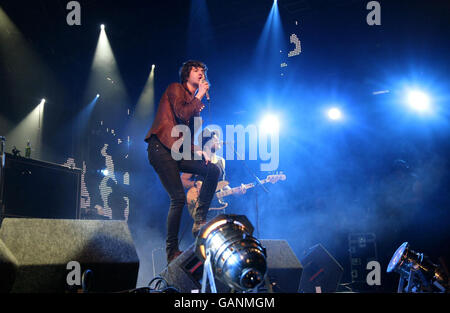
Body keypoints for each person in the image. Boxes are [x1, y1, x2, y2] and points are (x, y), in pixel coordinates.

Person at [145, 60, 221, 264]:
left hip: (177, 151)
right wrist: (199, 96)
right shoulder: (175, 89)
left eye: (203, 70)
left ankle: (200, 219)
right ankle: (171, 251)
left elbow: (185, 138)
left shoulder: (196, 105)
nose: (201, 73)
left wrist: (200, 151)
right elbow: (181, 112)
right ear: (187, 76)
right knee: (178, 198)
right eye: (196, 70)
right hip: (160, 148)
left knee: (213, 170)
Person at [181, 129, 246, 221]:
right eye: (215, 139)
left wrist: (235, 191)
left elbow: (222, 185)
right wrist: (195, 184)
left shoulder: (221, 161)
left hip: (219, 209)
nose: (219, 141)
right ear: (207, 144)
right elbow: (183, 180)